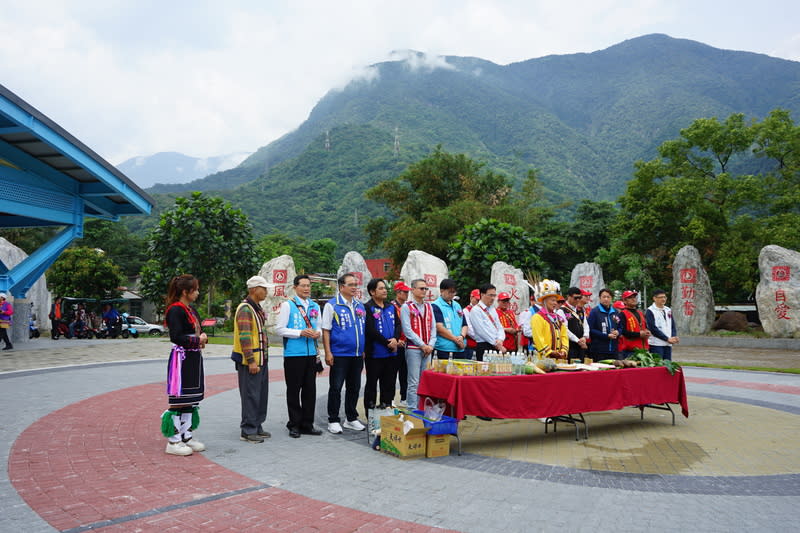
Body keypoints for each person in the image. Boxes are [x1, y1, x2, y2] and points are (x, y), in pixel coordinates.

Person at [161, 274, 208, 456]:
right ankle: (173, 441)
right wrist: (197, 339)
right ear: (185, 291)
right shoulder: (175, 310)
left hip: (194, 358)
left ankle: (186, 436)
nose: (197, 292)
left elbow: (199, 331)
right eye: (194, 289)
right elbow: (176, 336)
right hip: (181, 360)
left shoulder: (192, 310)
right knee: (178, 400)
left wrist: (202, 338)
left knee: (191, 399)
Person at [276, 274, 324, 438]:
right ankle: (294, 424)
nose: (306, 289)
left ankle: (307, 424)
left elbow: (320, 328)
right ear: (295, 287)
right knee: (294, 389)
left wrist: (317, 334)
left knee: (310, 390)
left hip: (311, 354)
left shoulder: (315, 306)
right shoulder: (288, 305)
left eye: (308, 286)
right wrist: (300, 332)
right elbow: (280, 329)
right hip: (293, 354)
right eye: (303, 285)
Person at [323, 274, 367, 434]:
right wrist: (328, 352)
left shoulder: (359, 306)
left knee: (354, 387)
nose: (355, 287)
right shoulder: (332, 305)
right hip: (339, 354)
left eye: (356, 284)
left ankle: (351, 418)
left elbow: (362, 329)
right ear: (342, 287)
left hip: (357, 354)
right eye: (351, 284)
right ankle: (333, 420)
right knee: (336, 387)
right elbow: (326, 330)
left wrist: (363, 349)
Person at [232, 276, 271, 443]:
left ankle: (257, 425)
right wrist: (251, 360)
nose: (266, 291)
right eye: (264, 288)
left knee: (261, 395)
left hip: (261, 359)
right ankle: (248, 430)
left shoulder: (256, 308)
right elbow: (245, 337)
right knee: (251, 395)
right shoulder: (246, 309)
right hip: (252, 361)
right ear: (254, 289)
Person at [363, 278, 400, 410]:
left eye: (385, 288)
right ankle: (371, 414)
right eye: (381, 288)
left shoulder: (391, 307)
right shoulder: (367, 307)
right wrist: (386, 343)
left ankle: (386, 407)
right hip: (375, 354)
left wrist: (395, 339)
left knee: (389, 384)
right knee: (372, 385)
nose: (385, 290)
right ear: (372, 292)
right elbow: (370, 330)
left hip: (391, 353)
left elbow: (398, 325)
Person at [401, 279, 437, 410]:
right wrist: (423, 345)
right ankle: (412, 408)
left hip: (428, 349)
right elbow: (407, 330)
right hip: (414, 348)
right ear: (413, 290)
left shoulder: (429, 306)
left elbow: (433, 327)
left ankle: (423, 408)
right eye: (421, 288)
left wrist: (431, 345)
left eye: (425, 288)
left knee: (425, 380)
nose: (424, 291)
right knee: (413, 381)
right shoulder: (407, 307)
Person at [467, 283, 505, 361]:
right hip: (484, 346)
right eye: (490, 295)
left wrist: (500, 339)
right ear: (482, 294)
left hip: (497, 344)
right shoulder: (476, 310)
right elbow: (482, 331)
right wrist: (496, 344)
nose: (493, 298)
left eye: (494, 295)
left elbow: (499, 326)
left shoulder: (492, 309)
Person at [531, 280, 569, 359]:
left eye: (556, 301)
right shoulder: (537, 317)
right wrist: (550, 352)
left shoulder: (559, 318)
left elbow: (564, 336)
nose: (555, 303)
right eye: (552, 300)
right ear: (544, 301)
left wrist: (564, 350)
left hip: (559, 359)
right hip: (543, 359)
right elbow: (538, 338)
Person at [432, 278, 468, 360]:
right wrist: (456, 340)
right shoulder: (436, 305)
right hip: (444, 348)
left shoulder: (457, 305)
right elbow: (439, 328)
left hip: (460, 348)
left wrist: (461, 337)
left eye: (454, 292)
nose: (452, 294)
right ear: (441, 291)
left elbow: (464, 324)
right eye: (449, 292)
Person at [390, 281, 411, 407]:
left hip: (407, 344)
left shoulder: (408, 306)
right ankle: (390, 399)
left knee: (405, 373)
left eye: (408, 292)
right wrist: (397, 340)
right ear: (398, 292)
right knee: (392, 374)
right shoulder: (391, 306)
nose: (407, 294)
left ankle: (404, 398)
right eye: (405, 292)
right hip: (396, 344)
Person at [587, 288, 621, 361]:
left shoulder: (615, 312)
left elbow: (621, 327)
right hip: (598, 351)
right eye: (604, 297)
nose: (606, 299)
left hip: (614, 350)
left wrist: (618, 332)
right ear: (600, 298)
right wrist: (606, 336)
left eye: (608, 297)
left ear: (611, 298)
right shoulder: (594, 312)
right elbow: (590, 329)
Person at [645, 288, 679, 361]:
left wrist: (674, 336)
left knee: (667, 365)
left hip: (668, 344)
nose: (663, 299)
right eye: (660, 297)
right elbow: (653, 328)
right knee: (658, 365)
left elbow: (672, 325)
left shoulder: (668, 310)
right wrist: (667, 339)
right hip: (656, 344)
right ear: (654, 298)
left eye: (664, 297)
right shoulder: (650, 311)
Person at [618, 290, 651, 358]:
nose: (633, 299)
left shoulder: (640, 313)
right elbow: (623, 332)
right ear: (624, 301)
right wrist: (639, 334)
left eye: (634, 297)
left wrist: (647, 332)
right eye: (630, 297)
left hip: (644, 349)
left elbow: (645, 327)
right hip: (630, 351)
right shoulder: (622, 314)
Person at [563, 287, 589, 360]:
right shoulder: (562, 310)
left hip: (581, 345)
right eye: (575, 298)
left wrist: (584, 337)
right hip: (570, 345)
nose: (578, 300)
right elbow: (564, 329)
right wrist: (577, 340)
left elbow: (586, 325)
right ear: (568, 297)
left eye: (579, 297)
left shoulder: (580, 310)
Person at [462, 288, 480, 358]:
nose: (478, 302)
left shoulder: (482, 311)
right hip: (470, 345)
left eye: (480, 300)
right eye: (477, 300)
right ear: (471, 297)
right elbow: (468, 329)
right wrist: (480, 337)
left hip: (480, 344)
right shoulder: (466, 311)